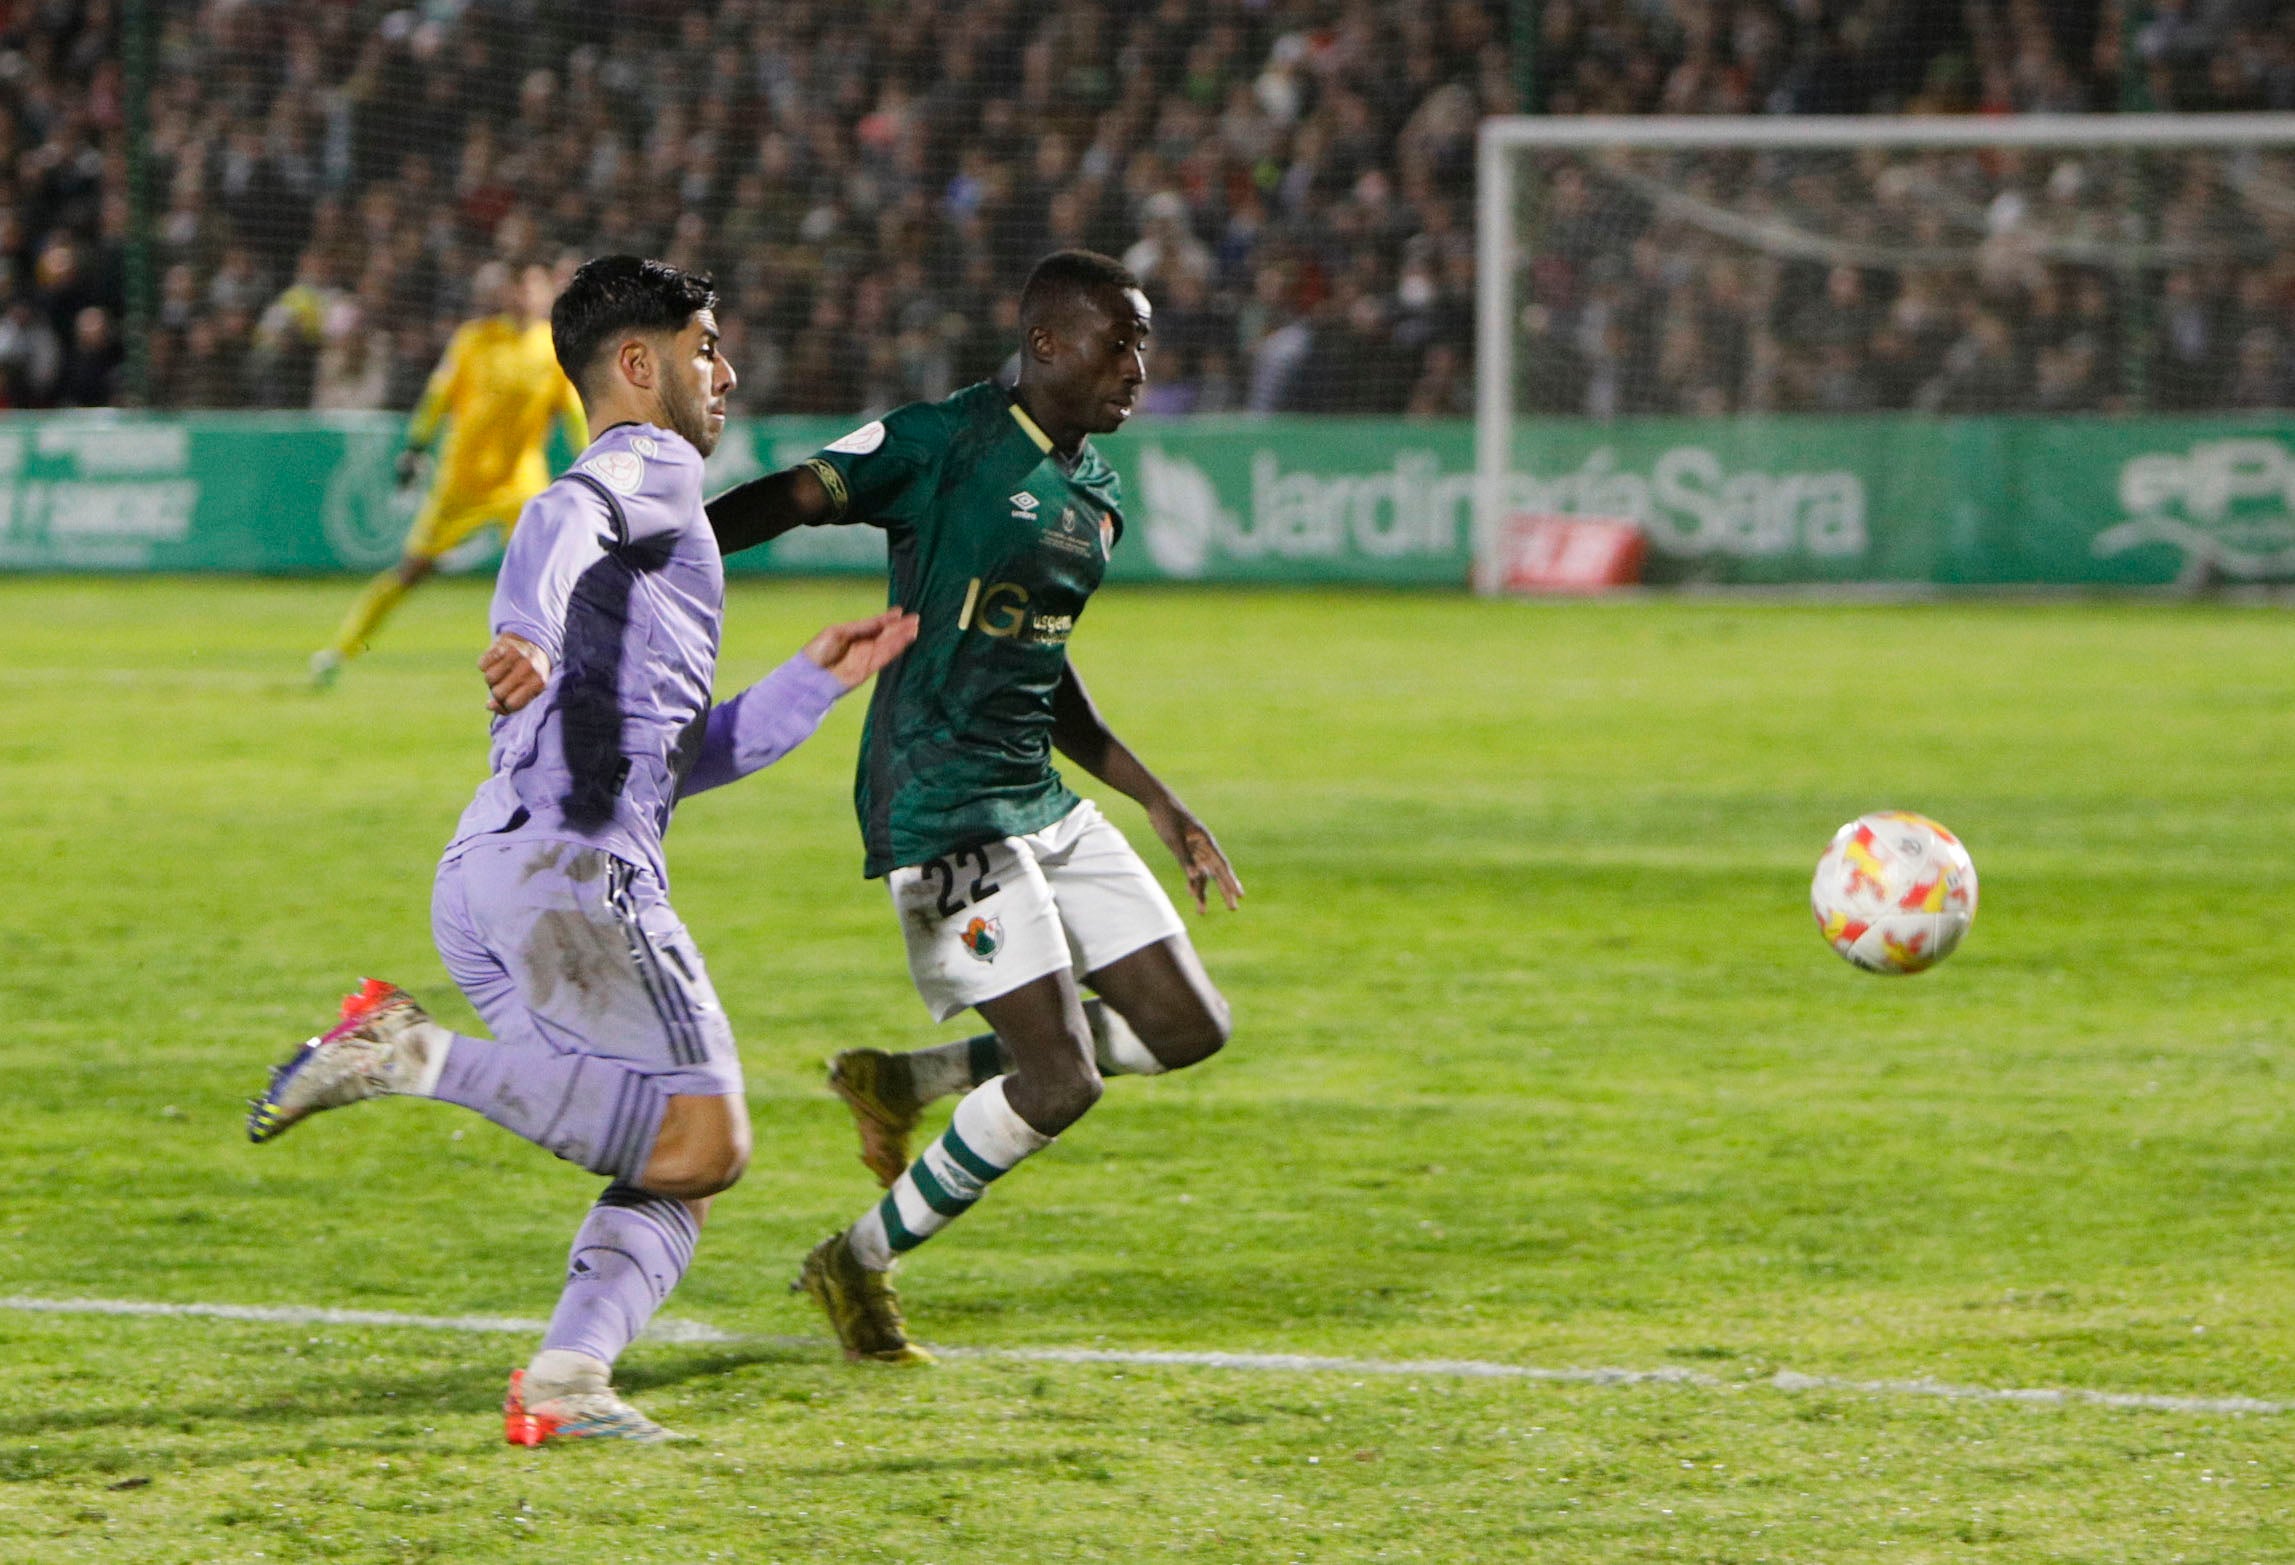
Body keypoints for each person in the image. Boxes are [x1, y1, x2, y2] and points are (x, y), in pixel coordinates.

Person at [247, 256, 919, 1442]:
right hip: (572, 873)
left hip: (503, 869)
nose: (726, 369)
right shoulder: (646, 463)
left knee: (673, 1153)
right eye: (707, 344)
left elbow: (678, 755)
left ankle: (567, 1379)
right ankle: (407, 1051)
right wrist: (522, 625)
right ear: (638, 364)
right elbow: (558, 514)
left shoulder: (651, 512)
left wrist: (813, 683)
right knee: (707, 1137)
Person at [703, 250, 1241, 1364]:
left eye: (1144, 343)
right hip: (943, 798)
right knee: (1060, 1079)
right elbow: (793, 496)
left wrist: (1158, 798)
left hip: (1035, 795)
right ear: (1046, 344)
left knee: (1190, 1026)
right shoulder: (945, 442)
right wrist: (666, 554)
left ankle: (909, 1078)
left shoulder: (1094, 497)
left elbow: (1046, 677)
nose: (1137, 366)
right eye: (1118, 341)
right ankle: (855, 1259)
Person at [309, 259, 587, 687]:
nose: (524, 297)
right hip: (462, 483)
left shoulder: (554, 349)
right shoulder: (473, 341)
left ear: (546, 294)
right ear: (505, 293)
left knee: (545, 575)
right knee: (412, 571)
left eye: (532, 289)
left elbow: (573, 413)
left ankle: (560, 668)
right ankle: (340, 650)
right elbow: (438, 396)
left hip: (521, 485)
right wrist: (416, 447)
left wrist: (592, 462)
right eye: (517, 288)